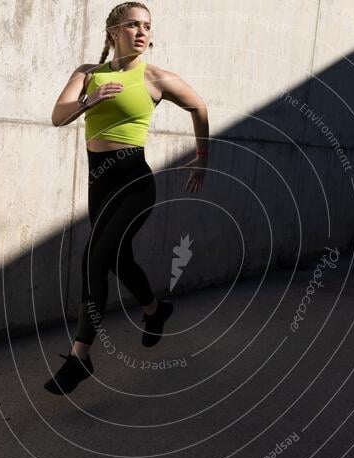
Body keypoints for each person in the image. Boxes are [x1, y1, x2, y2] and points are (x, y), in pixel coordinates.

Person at [45, 1, 209, 395]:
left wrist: (203, 159)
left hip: (135, 184)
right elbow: (57, 116)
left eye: (147, 26)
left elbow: (198, 106)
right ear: (113, 30)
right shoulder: (88, 74)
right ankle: (155, 309)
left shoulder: (155, 78)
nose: (142, 32)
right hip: (98, 186)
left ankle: (80, 356)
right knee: (118, 258)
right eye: (133, 24)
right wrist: (89, 101)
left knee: (95, 258)